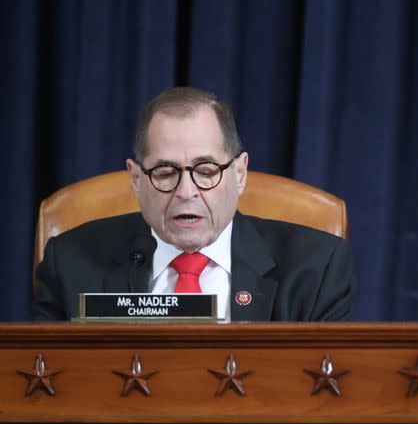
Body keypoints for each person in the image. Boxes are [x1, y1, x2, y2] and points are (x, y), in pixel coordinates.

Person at [32, 87, 355, 321]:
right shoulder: (70, 262)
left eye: (206, 171)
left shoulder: (316, 267)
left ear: (239, 173)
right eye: (164, 172)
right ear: (135, 179)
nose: (187, 191)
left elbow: (326, 399)